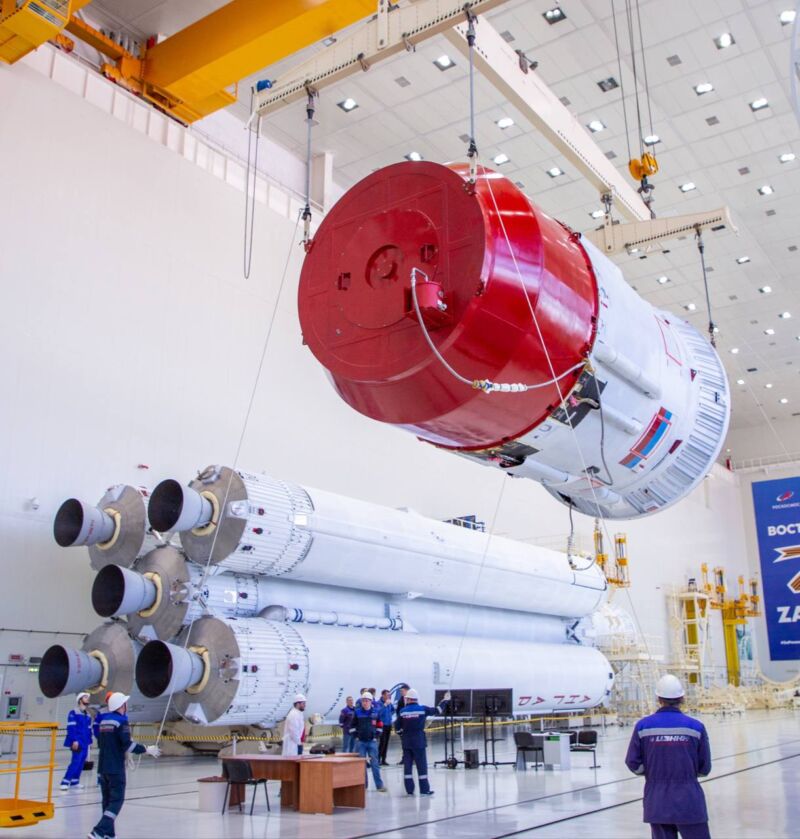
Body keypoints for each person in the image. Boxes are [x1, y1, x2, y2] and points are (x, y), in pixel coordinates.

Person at [625, 674, 712, 839]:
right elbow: (704, 767)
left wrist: (653, 773)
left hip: (657, 800)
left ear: (659, 698)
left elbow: (633, 762)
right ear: (682, 698)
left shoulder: (643, 726)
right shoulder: (695, 727)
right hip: (689, 799)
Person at [87, 692, 160, 839]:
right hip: (115, 769)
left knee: (106, 802)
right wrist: (147, 749)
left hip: (102, 769)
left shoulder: (104, 721)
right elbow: (128, 745)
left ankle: (109, 834)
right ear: (122, 705)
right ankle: (98, 831)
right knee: (116, 801)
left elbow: (101, 742)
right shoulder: (121, 722)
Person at [396, 688, 449, 796]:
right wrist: (445, 700)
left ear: (408, 699)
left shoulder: (402, 711)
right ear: (416, 699)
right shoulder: (422, 709)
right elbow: (437, 710)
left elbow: (397, 727)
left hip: (406, 742)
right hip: (418, 741)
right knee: (421, 766)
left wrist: (402, 734)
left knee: (407, 767)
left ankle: (409, 790)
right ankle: (424, 790)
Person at [350, 692, 387, 792]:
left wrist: (376, 736)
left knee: (375, 764)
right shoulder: (357, 713)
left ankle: (379, 786)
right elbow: (352, 726)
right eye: (363, 700)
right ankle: (363, 786)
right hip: (360, 742)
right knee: (361, 765)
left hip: (372, 742)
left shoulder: (375, 713)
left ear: (371, 702)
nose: (365, 702)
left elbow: (380, 725)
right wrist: (356, 737)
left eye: (367, 700)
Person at [60, 692, 93, 791]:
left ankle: (75, 781)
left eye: (88, 698)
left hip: (85, 742)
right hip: (77, 742)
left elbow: (88, 729)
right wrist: (74, 740)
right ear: (80, 700)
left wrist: (89, 742)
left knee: (81, 762)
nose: (87, 699)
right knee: (75, 762)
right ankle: (65, 781)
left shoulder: (87, 715)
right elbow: (71, 728)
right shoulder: (73, 713)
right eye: (85, 697)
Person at [377, 689, 394, 766]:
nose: (389, 696)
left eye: (389, 695)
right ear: (383, 695)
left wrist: (390, 717)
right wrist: (385, 705)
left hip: (388, 724)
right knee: (382, 743)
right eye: (387, 695)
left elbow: (393, 710)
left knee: (386, 743)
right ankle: (378, 759)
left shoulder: (389, 703)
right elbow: (379, 713)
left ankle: (384, 760)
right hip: (382, 725)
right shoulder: (379, 703)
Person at [394, 684, 410, 764]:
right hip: (403, 724)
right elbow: (398, 712)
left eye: (402, 691)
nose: (401, 692)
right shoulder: (400, 700)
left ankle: (413, 758)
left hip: (410, 724)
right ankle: (405, 758)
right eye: (400, 691)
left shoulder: (412, 699)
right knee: (404, 742)